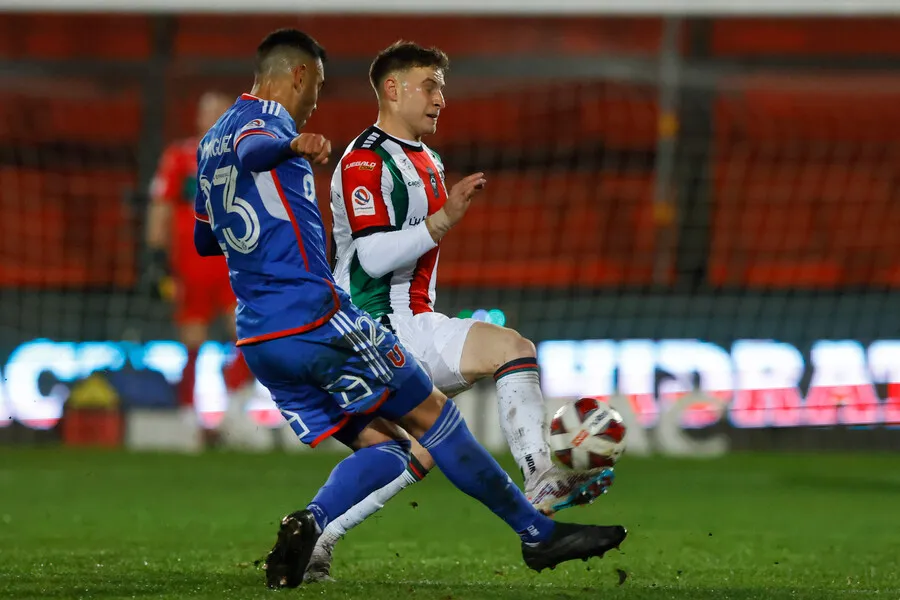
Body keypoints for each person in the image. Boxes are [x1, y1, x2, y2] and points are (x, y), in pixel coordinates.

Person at [193, 28, 626, 589]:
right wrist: (291, 147)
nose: (316, 101)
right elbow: (272, 160)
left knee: (402, 451)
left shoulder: (210, 143)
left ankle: (314, 529)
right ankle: (537, 511)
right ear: (299, 75)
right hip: (338, 319)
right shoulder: (291, 131)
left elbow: (208, 241)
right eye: (317, 86)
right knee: (455, 406)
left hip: (259, 335)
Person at [309, 41, 615, 581]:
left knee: (423, 448)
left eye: (442, 88)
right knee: (510, 351)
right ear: (392, 89)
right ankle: (539, 472)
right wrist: (443, 219)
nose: (440, 99)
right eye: (429, 86)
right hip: (374, 325)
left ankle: (315, 539)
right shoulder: (363, 159)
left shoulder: (428, 159)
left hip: (410, 321)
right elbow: (375, 257)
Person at [145, 91, 257, 445]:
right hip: (190, 264)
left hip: (233, 263)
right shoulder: (179, 157)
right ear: (196, 118)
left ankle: (234, 412)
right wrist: (156, 258)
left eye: (218, 111)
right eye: (205, 110)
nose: (210, 116)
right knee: (192, 341)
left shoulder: (244, 158)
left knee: (247, 337)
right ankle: (188, 421)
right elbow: (161, 207)